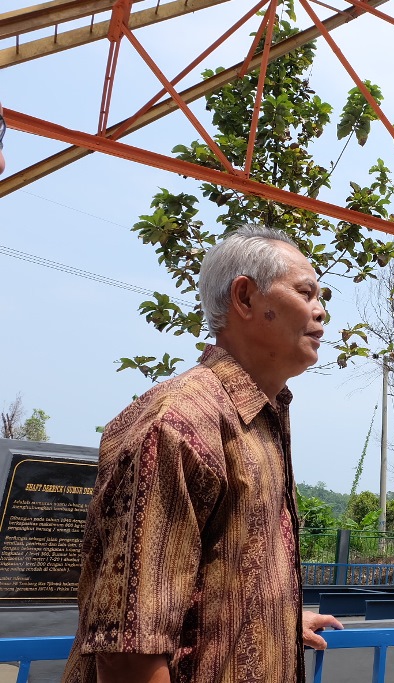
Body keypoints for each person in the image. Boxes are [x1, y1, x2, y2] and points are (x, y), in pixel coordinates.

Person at [62, 226, 342, 683]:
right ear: (246, 298)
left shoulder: (261, 419)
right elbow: (130, 652)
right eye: (306, 292)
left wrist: (277, 622)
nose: (320, 311)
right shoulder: (177, 425)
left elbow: (216, 579)